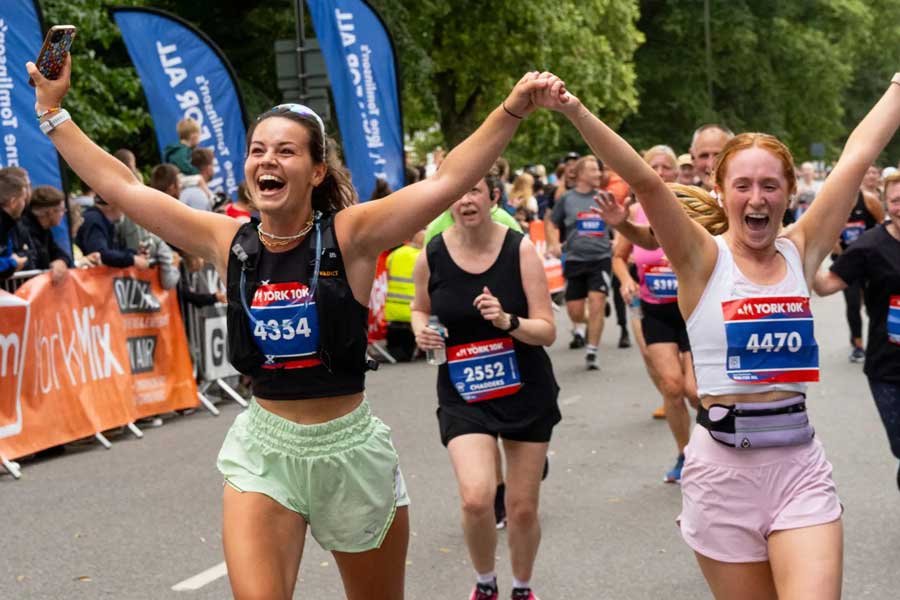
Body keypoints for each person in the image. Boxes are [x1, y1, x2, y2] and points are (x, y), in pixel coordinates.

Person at [29, 54, 561, 599]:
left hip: (349, 449)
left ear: (316, 170)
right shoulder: (228, 240)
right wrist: (52, 112)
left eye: (286, 151)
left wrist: (510, 109)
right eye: (258, 150)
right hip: (265, 448)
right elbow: (126, 189)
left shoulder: (351, 235)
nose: (268, 160)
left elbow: (449, 180)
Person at [537, 71, 900, 599]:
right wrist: (573, 109)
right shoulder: (701, 258)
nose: (757, 198)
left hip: (798, 467)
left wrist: (895, 88)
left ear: (789, 192)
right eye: (744, 185)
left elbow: (856, 155)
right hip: (722, 475)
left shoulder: (804, 247)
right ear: (721, 192)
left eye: (770, 185)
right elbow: (643, 180)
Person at [411, 174, 559, 600]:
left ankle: (522, 587)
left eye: (474, 190)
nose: (465, 200)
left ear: (492, 197)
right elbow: (420, 309)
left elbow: (546, 330)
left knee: (522, 508)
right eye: (458, 193)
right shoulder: (433, 254)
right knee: (477, 499)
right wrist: (423, 331)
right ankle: (485, 583)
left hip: (524, 387)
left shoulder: (520, 249)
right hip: (464, 389)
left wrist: (506, 321)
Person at [608, 145, 699, 482]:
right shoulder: (634, 210)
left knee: (695, 391)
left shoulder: (693, 207)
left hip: (692, 311)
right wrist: (625, 280)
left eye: (666, 167)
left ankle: (712, 447)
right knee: (672, 388)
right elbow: (619, 256)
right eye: (653, 167)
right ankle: (685, 454)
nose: (660, 173)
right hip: (655, 310)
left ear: (677, 173)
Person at [814, 170, 900, 492]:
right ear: (886, 203)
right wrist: (804, 252)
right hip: (888, 367)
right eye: (896, 200)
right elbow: (824, 286)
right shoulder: (870, 246)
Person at [548, 155, 612, 370]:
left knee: (596, 304)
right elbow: (551, 222)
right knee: (575, 312)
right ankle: (593, 320)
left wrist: (618, 243)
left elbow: (619, 224)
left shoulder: (604, 197)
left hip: (600, 259)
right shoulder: (567, 199)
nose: (599, 174)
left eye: (599, 170)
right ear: (581, 173)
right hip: (575, 259)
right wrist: (552, 243)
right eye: (594, 170)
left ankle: (592, 351)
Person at [832, 176, 885, 363]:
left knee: (874, 304)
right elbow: (828, 234)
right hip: (847, 262)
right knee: (853, 304)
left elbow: (884, 225)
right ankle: (858, 345)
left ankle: (879, 341)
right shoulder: (835, 204)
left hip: (870, 261)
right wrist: (835, 244)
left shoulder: (869, 200)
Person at [384, 230, 425, 362]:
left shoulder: (394, 254)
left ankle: (395, 353)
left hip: (393, 307)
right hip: (413, 307)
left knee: (396, 335)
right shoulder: (421, 256)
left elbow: (388, 274)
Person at [21, 186, 72, 284]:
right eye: (62, 210)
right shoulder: (26, 230)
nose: (63, 214)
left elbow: (59, 252)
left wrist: (61, 261)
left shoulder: (45, 231)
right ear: (50, 212)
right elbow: (39, 261)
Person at [0, 169, 34, 279]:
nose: (25, 204)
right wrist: (13, 262)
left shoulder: (8, 223)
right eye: (23, 199)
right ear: (13, 202)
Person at [689, 124, 734, 190]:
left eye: (718, 156)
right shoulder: (679, 199)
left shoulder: (751, 198)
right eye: (704, 156)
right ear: (692, 157)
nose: (710, 164)